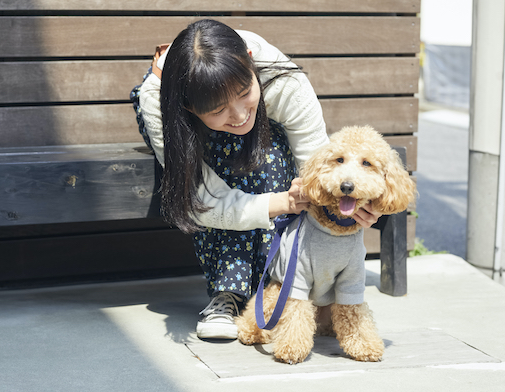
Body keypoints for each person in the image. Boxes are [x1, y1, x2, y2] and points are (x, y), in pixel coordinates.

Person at [130, 19, 380, 340]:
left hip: (264, 142)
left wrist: (348, 207)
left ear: (250, 60)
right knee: (235, 145)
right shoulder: (161, 103)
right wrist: (282, 202)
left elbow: (316, 166)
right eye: (219, 109)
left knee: (265, 146)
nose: (237, 114)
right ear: (189, 106)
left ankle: (273, 284)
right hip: (196, 141)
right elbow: (202, 200)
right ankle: (229, 293)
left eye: (245, 92)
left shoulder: (283, 80)